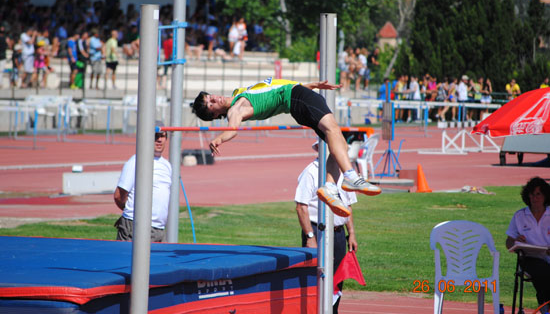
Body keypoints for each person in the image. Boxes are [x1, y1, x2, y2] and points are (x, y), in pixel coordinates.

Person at [191, 78, 381, 217]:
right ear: (216, 115)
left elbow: (274, 85)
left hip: (297, 95)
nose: (213, 99)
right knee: (333, 130)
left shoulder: (236, 95)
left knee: (338, 142)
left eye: (209, 97)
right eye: (210, 104)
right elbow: (233, 130)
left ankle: (331, 186)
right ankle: (351, 177)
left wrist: (312, 85)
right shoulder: (235, 108)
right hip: (295, 97)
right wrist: (219, 139)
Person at [295, 141, 357, 313]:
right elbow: (301, 206)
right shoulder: (311, 172)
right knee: (315, 277)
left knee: (337, 277)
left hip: (338, 233)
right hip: (317, 231)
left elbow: (348, 205)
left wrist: (351, 233)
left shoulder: (345, 173)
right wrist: (310, 237)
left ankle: (333, 310)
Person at [114, 121, 172, 242]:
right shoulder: (135, 161)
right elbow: (119, 195)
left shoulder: (167, 165)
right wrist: (131, 214)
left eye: (162, 136)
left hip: (159, 229)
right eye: (156, 136)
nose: (159, 140)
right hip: (136, 227)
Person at [506, 177, 550, 312]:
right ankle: (545, 306)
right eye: (532, 194)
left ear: (545, 196)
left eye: (538, 194)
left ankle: (544, 304)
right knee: (543, 271)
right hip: (529, 258)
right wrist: (516, 241)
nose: (535, 198)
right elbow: (508, 242)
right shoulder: (520, 216)